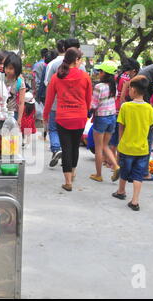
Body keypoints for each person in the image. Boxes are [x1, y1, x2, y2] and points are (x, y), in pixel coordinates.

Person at [43, 48, 92, 192]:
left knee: (66, 148)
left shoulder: (57, 77)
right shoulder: (85, 76)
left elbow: (49, 99)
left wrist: (45, 116)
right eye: (80, 59)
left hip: (63, 117)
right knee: (75, 146)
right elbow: (88, 99)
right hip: (80, 117)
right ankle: (73, 171)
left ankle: (68, 181)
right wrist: (86, 112)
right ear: (76, 60)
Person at [112, 75, 153, 211]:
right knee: (138, 175)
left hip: (127, 147)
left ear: (134, 90)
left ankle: (121, 191)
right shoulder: (149, 108)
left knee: (124, 171)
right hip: (142, 148)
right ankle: (135, 201)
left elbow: (121, 128)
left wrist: (119, 144)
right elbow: (148, 127)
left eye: (129, 88)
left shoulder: (125, 107)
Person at [44, 39, 85, 168]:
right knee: (72, 142)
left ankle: (57, 149)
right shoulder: (81, 67)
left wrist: (45, 112)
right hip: (78, 110)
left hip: (58, 106)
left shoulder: (52, 64)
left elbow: (48, 85)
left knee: (54, 129)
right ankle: (70, 171)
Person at [89, 61, 120, 183]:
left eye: (100, 71)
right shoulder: (114, 86)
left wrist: (89, 111)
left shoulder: (99, 87)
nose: (99, 73)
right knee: (105, 145)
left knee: (98, 148)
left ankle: (98, 174)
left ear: (105, 73)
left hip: (101, 118)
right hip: (112, 117)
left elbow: (94, 104)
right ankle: (116, 166)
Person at [4, 53, 26, 126]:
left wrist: (19, 119)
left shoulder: (20, 82)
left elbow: (21, 102)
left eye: (11, 68)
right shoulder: (1, 79)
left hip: (13, 114)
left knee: (12, 136)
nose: (7, 70)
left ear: (17, 69)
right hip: (1, 113)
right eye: (6, 67)